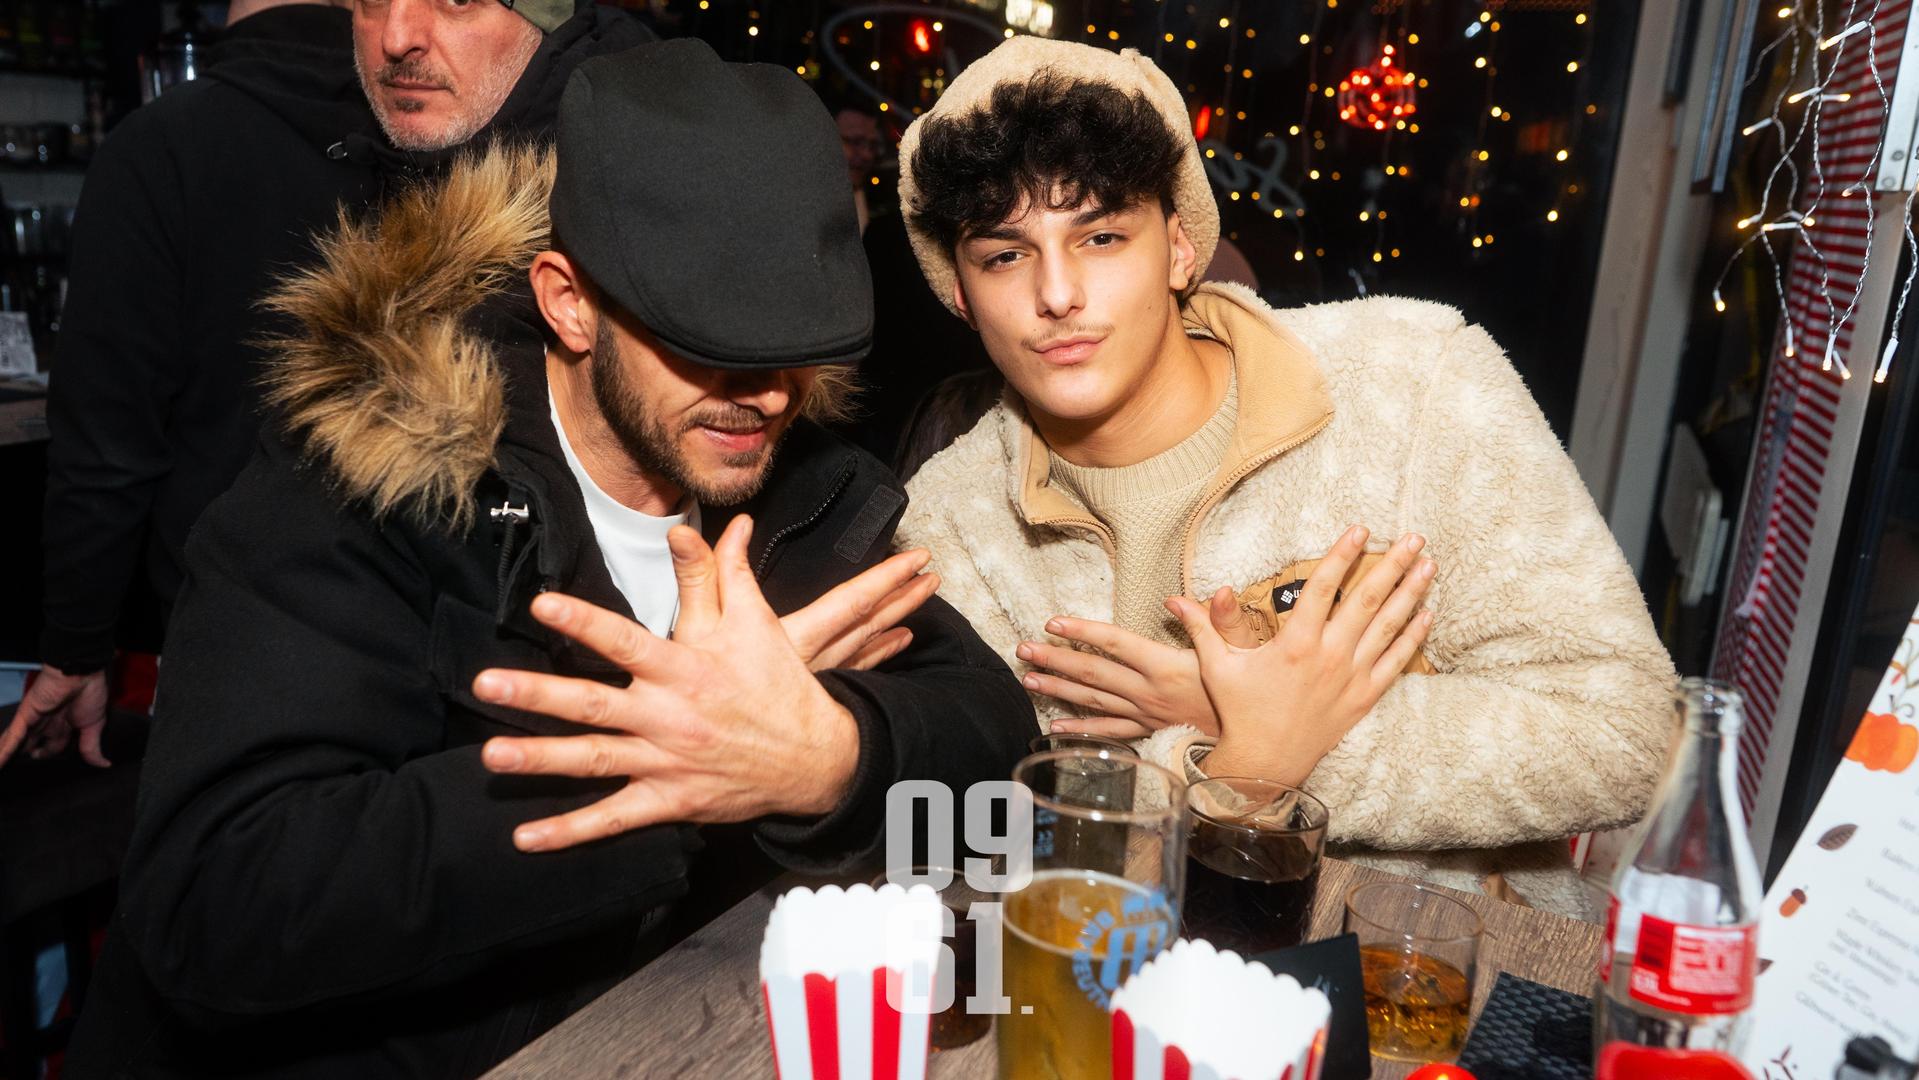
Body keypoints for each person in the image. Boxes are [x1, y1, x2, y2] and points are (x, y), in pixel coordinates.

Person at [65, 40, 1032, 1077]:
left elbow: (1000, 767)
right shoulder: (363, 486)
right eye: (706, 343)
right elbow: (211, 900)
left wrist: (825, 754)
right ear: (569, 302)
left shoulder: (801, 493)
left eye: (793, 345)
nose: (761, 395)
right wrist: (658, 771)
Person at [891, 37, 1676, 917]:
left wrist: (1257, 728)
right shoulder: (948, 527)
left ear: (1178, 249)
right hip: (1133, 978)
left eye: (1101, 236)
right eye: (1004, 256)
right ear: (960, 294)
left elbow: (1622, 734)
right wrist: (1238, 751)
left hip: (1441, 970)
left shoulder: (1411, 380)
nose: (1058, 293)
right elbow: (1005, 857)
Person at [8, 0, 654, 769]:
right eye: (372, 1)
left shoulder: (608, 181)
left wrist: (76, 645)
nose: (398, 36)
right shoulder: (409, 145)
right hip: (372, 690)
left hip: (487, 714)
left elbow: (106, 444)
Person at [8, 0, 376, 771]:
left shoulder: (163, 144)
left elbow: (106, 445)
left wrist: (75, 647)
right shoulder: (439, 134)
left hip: (226, 646)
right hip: (418, 644)